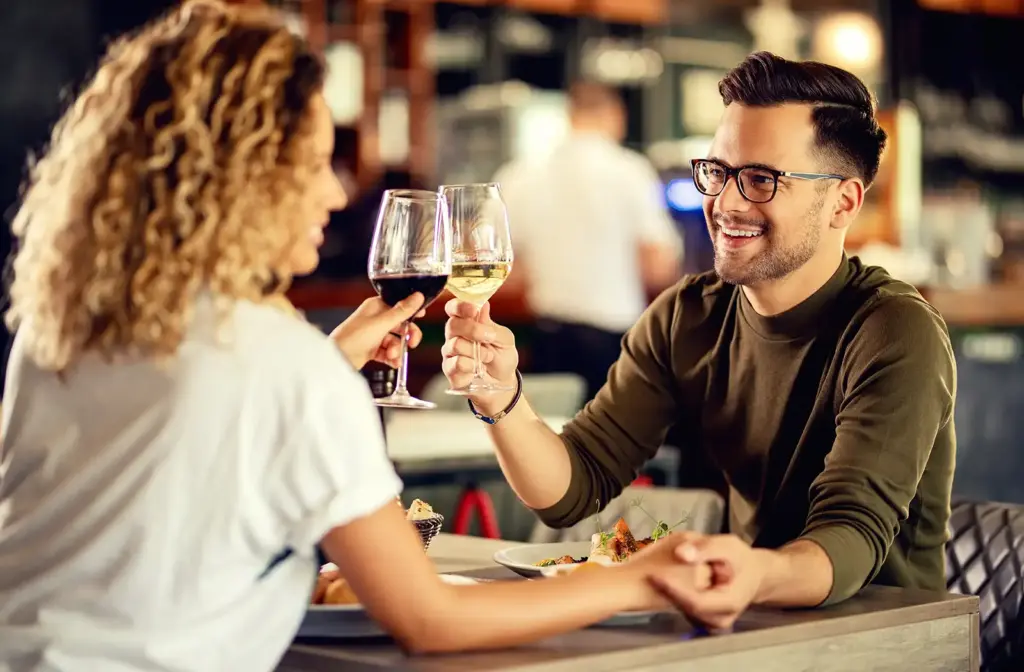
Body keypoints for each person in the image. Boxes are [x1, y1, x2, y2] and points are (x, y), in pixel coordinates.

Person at [0, 2, 710, 670]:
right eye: (311, 164)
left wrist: (329, 358)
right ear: (240, 179)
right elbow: (430, 619)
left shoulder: (62, 328)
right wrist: (638, 581)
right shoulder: (279, 363)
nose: (334, 194)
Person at [443, 51, 957, 629]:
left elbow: (850, 537)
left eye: (761, 179)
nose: (727, 202)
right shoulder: (687, 316)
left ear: (843, 202)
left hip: (887, 639)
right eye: (719, 172)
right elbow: (573, 486)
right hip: (745, 626)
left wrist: (749, 573)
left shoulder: (893, 330)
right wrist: (501, 399)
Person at [493, 82, 683, 402]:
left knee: (552, 438)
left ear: (568, 115)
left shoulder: (521, 174)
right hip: (613, 340)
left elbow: (508, 271)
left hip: (548, 335)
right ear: (615, 116)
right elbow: (657, 266)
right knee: (611, 445)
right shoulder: (629, 170)